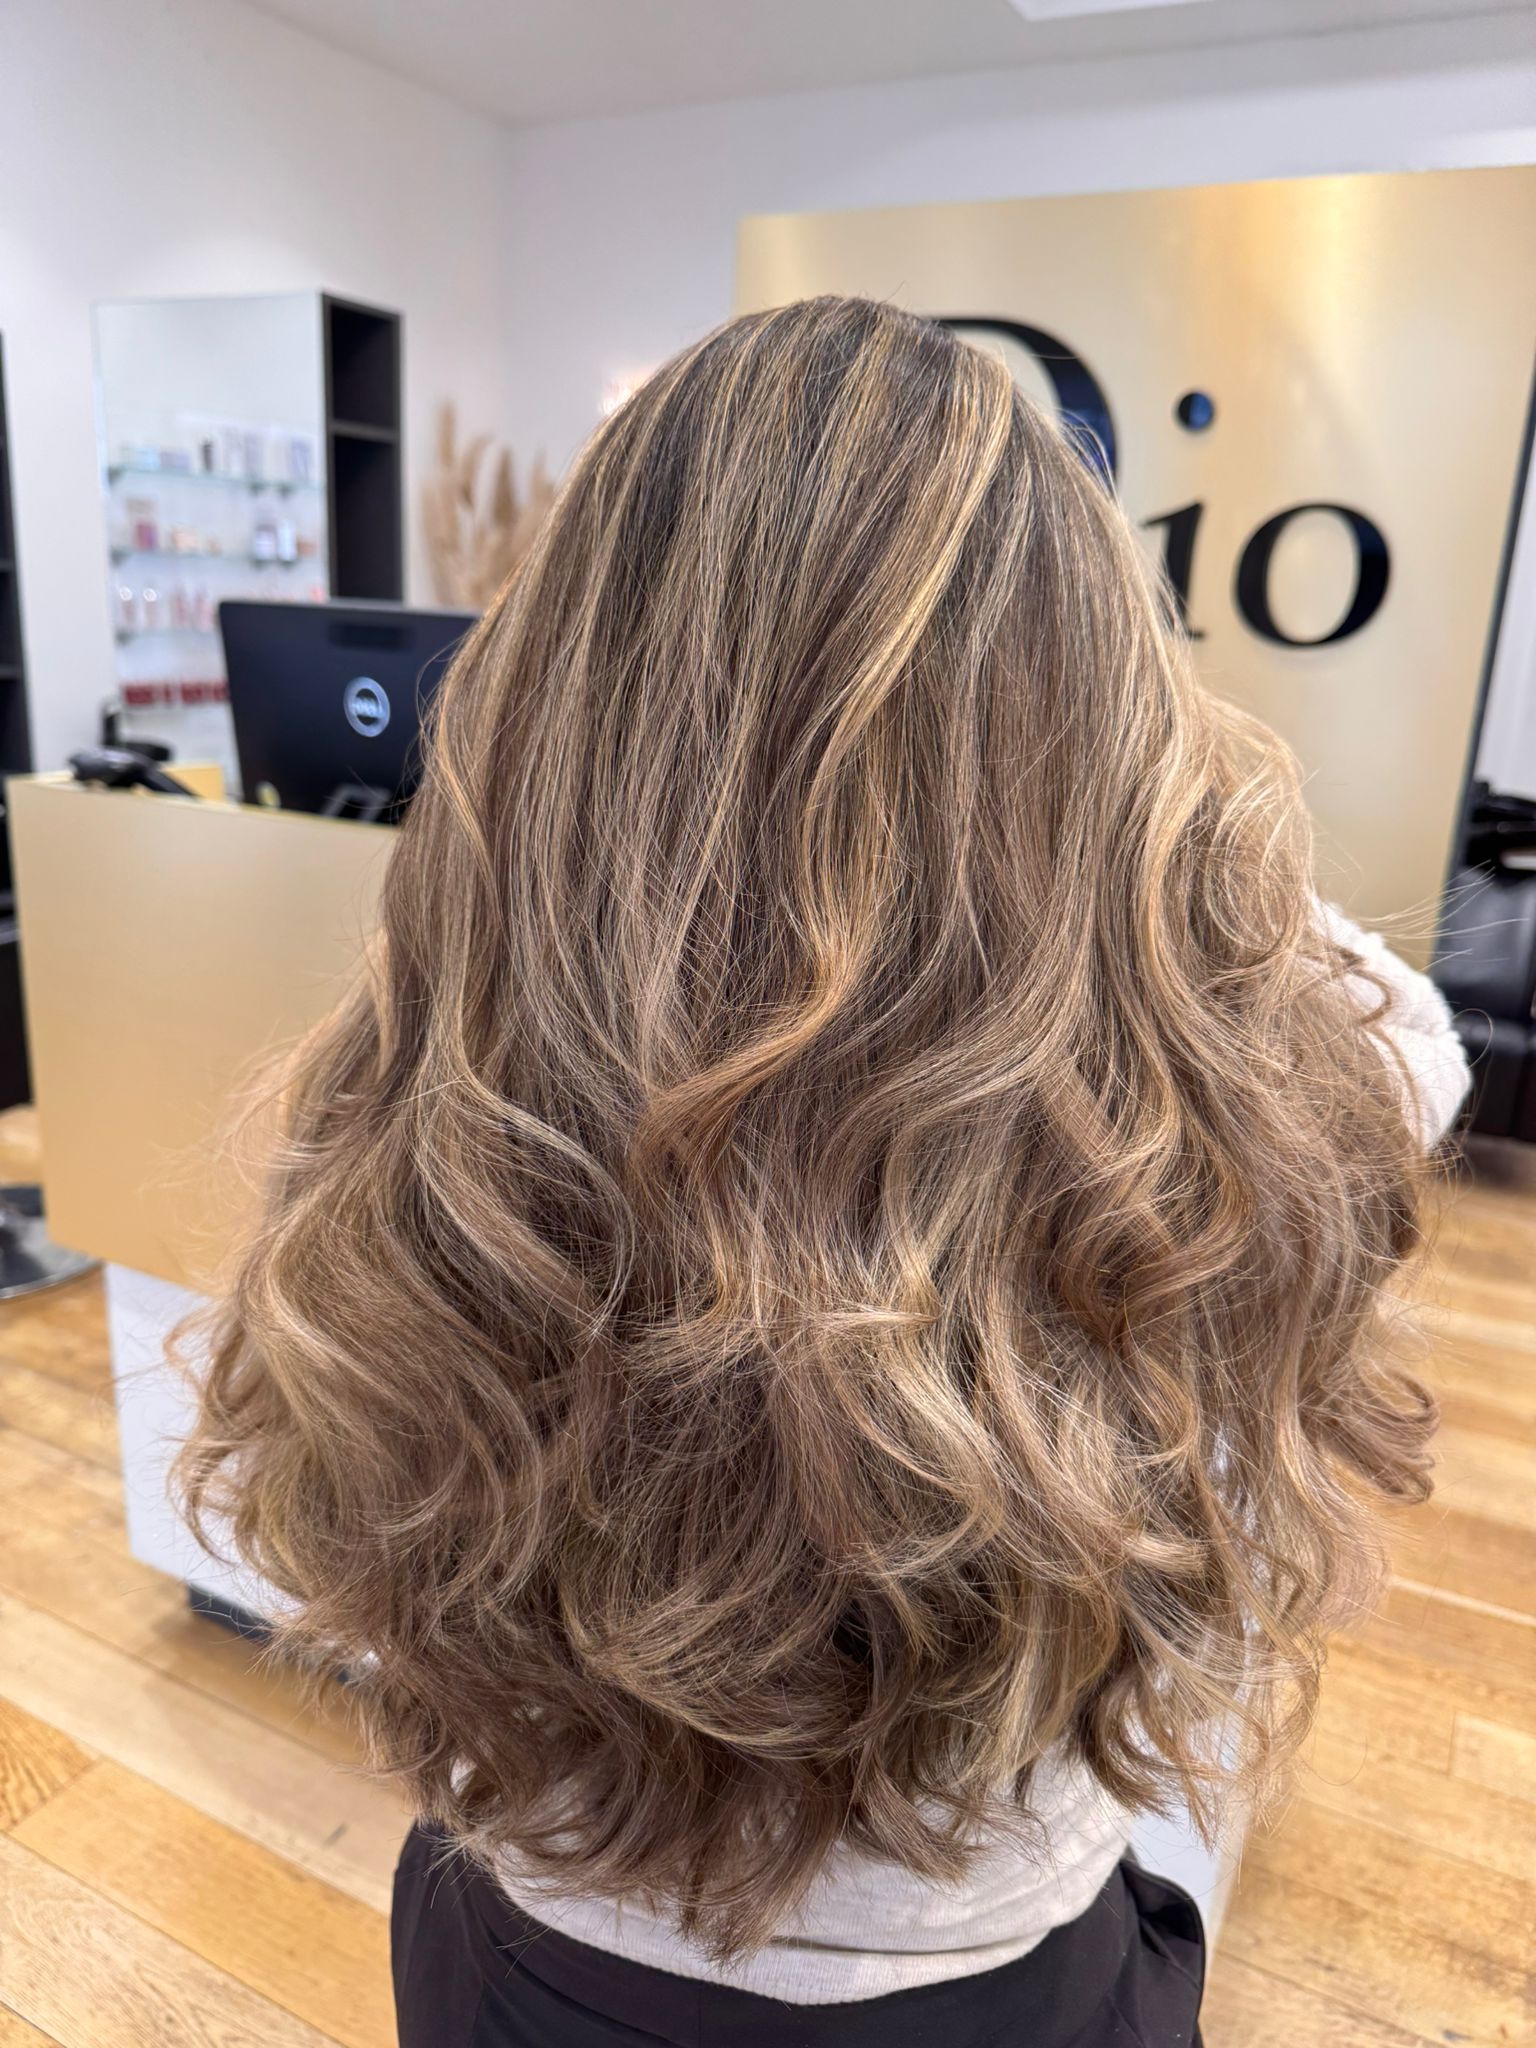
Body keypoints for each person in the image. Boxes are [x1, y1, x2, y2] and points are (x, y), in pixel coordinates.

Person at [178, 297, 1470, 2047]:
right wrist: (1145, 865)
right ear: (1099, 719)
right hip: (984, 1989)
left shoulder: (443, 1086)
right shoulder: (1209, 1124)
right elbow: (1406, 1033)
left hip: (525, 1950)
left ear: (558, 702)